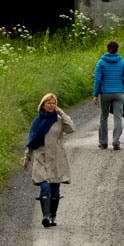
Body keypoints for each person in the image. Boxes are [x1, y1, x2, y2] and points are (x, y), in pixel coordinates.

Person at [23, 93, 74, 227]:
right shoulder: (37, 121)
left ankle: (52, 216)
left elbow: (71, 128)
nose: (51, 106)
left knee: (55, 189)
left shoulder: (58, 120)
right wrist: (27, 159)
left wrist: (62, 113)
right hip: (41, 158)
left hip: (56, 158)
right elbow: (31, 141)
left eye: (53, 103)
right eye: (48, 103)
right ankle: (45, 216)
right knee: (44, 185)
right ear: (43, 105)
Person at [94, 39, 124, 149]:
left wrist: (95, 94)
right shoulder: (122, 62)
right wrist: (121, 83)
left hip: (105, 93)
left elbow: (97, 79)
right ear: (117, 49)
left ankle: (103, 142)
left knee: (104, 117)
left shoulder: (101, 63)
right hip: (119, 93)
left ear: (107, 49)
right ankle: (116, 142)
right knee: (117, 118)